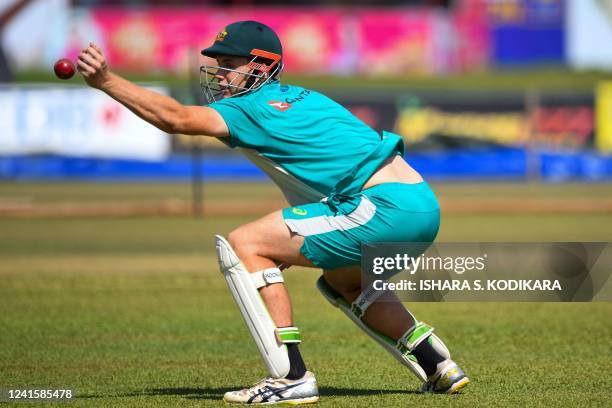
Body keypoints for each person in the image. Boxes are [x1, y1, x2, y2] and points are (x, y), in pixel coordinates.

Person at [77, 20, 469, 405]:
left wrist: (107, 80)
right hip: (419, 204)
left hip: (379, 209)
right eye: (218, 64)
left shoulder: (250, 108)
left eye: (230, 65)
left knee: (246, 243)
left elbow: (175, 118)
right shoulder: (306, 96)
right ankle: (438, 365)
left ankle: (290, 377)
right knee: (344, 285)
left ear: (262, 67)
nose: (220, 74)